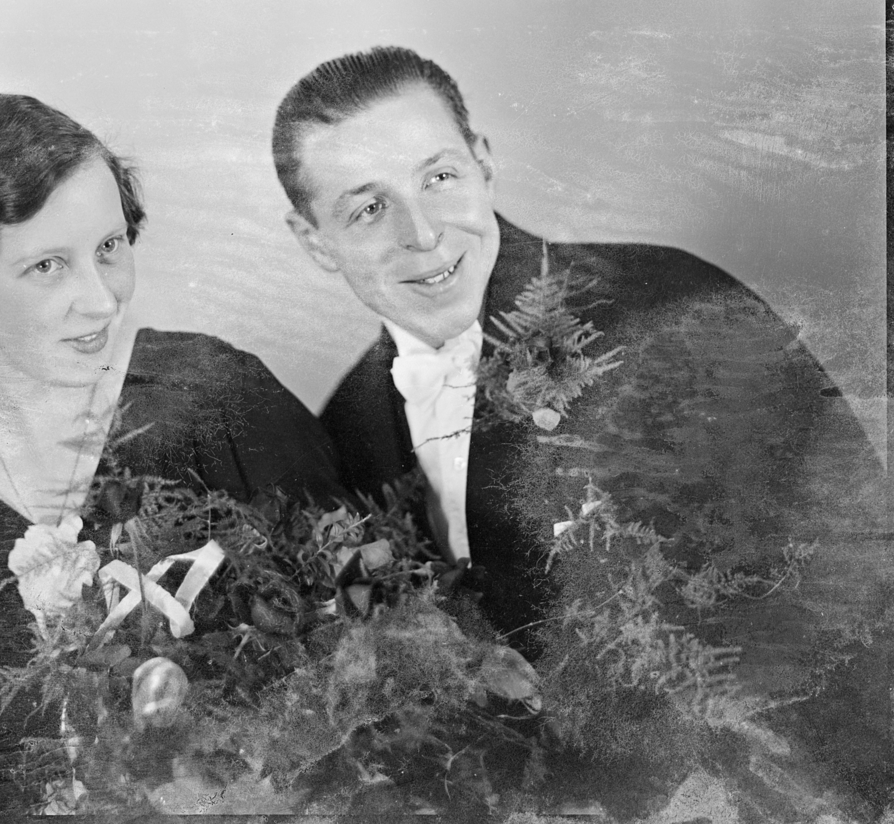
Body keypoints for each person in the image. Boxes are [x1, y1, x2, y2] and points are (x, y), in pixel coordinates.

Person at [272, 46, 889, 803]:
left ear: (483, 162)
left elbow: (856, 592)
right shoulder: (341, 434)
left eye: (438, 178)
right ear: (313, 240)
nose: (423, 233)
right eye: (368, 209)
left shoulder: (671, 305)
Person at [0, 93, 345, 815]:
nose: (100, 299)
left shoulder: (221, 397)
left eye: (110, 248)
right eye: (47, 266)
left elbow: (372, 653)